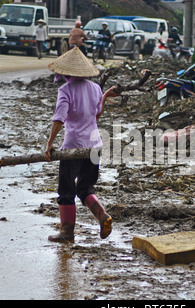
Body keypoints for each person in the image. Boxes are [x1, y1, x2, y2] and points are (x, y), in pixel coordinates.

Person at [45, 47, 119, 243]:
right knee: (85, 188)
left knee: (66, 191)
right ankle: (102, 215)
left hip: (72, 148)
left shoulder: (65, 90)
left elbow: (59, 118)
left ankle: (67, 232)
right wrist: (105, 97)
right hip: (94, 145)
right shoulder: (95, 88)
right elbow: (96, 115)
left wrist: (50, 144)